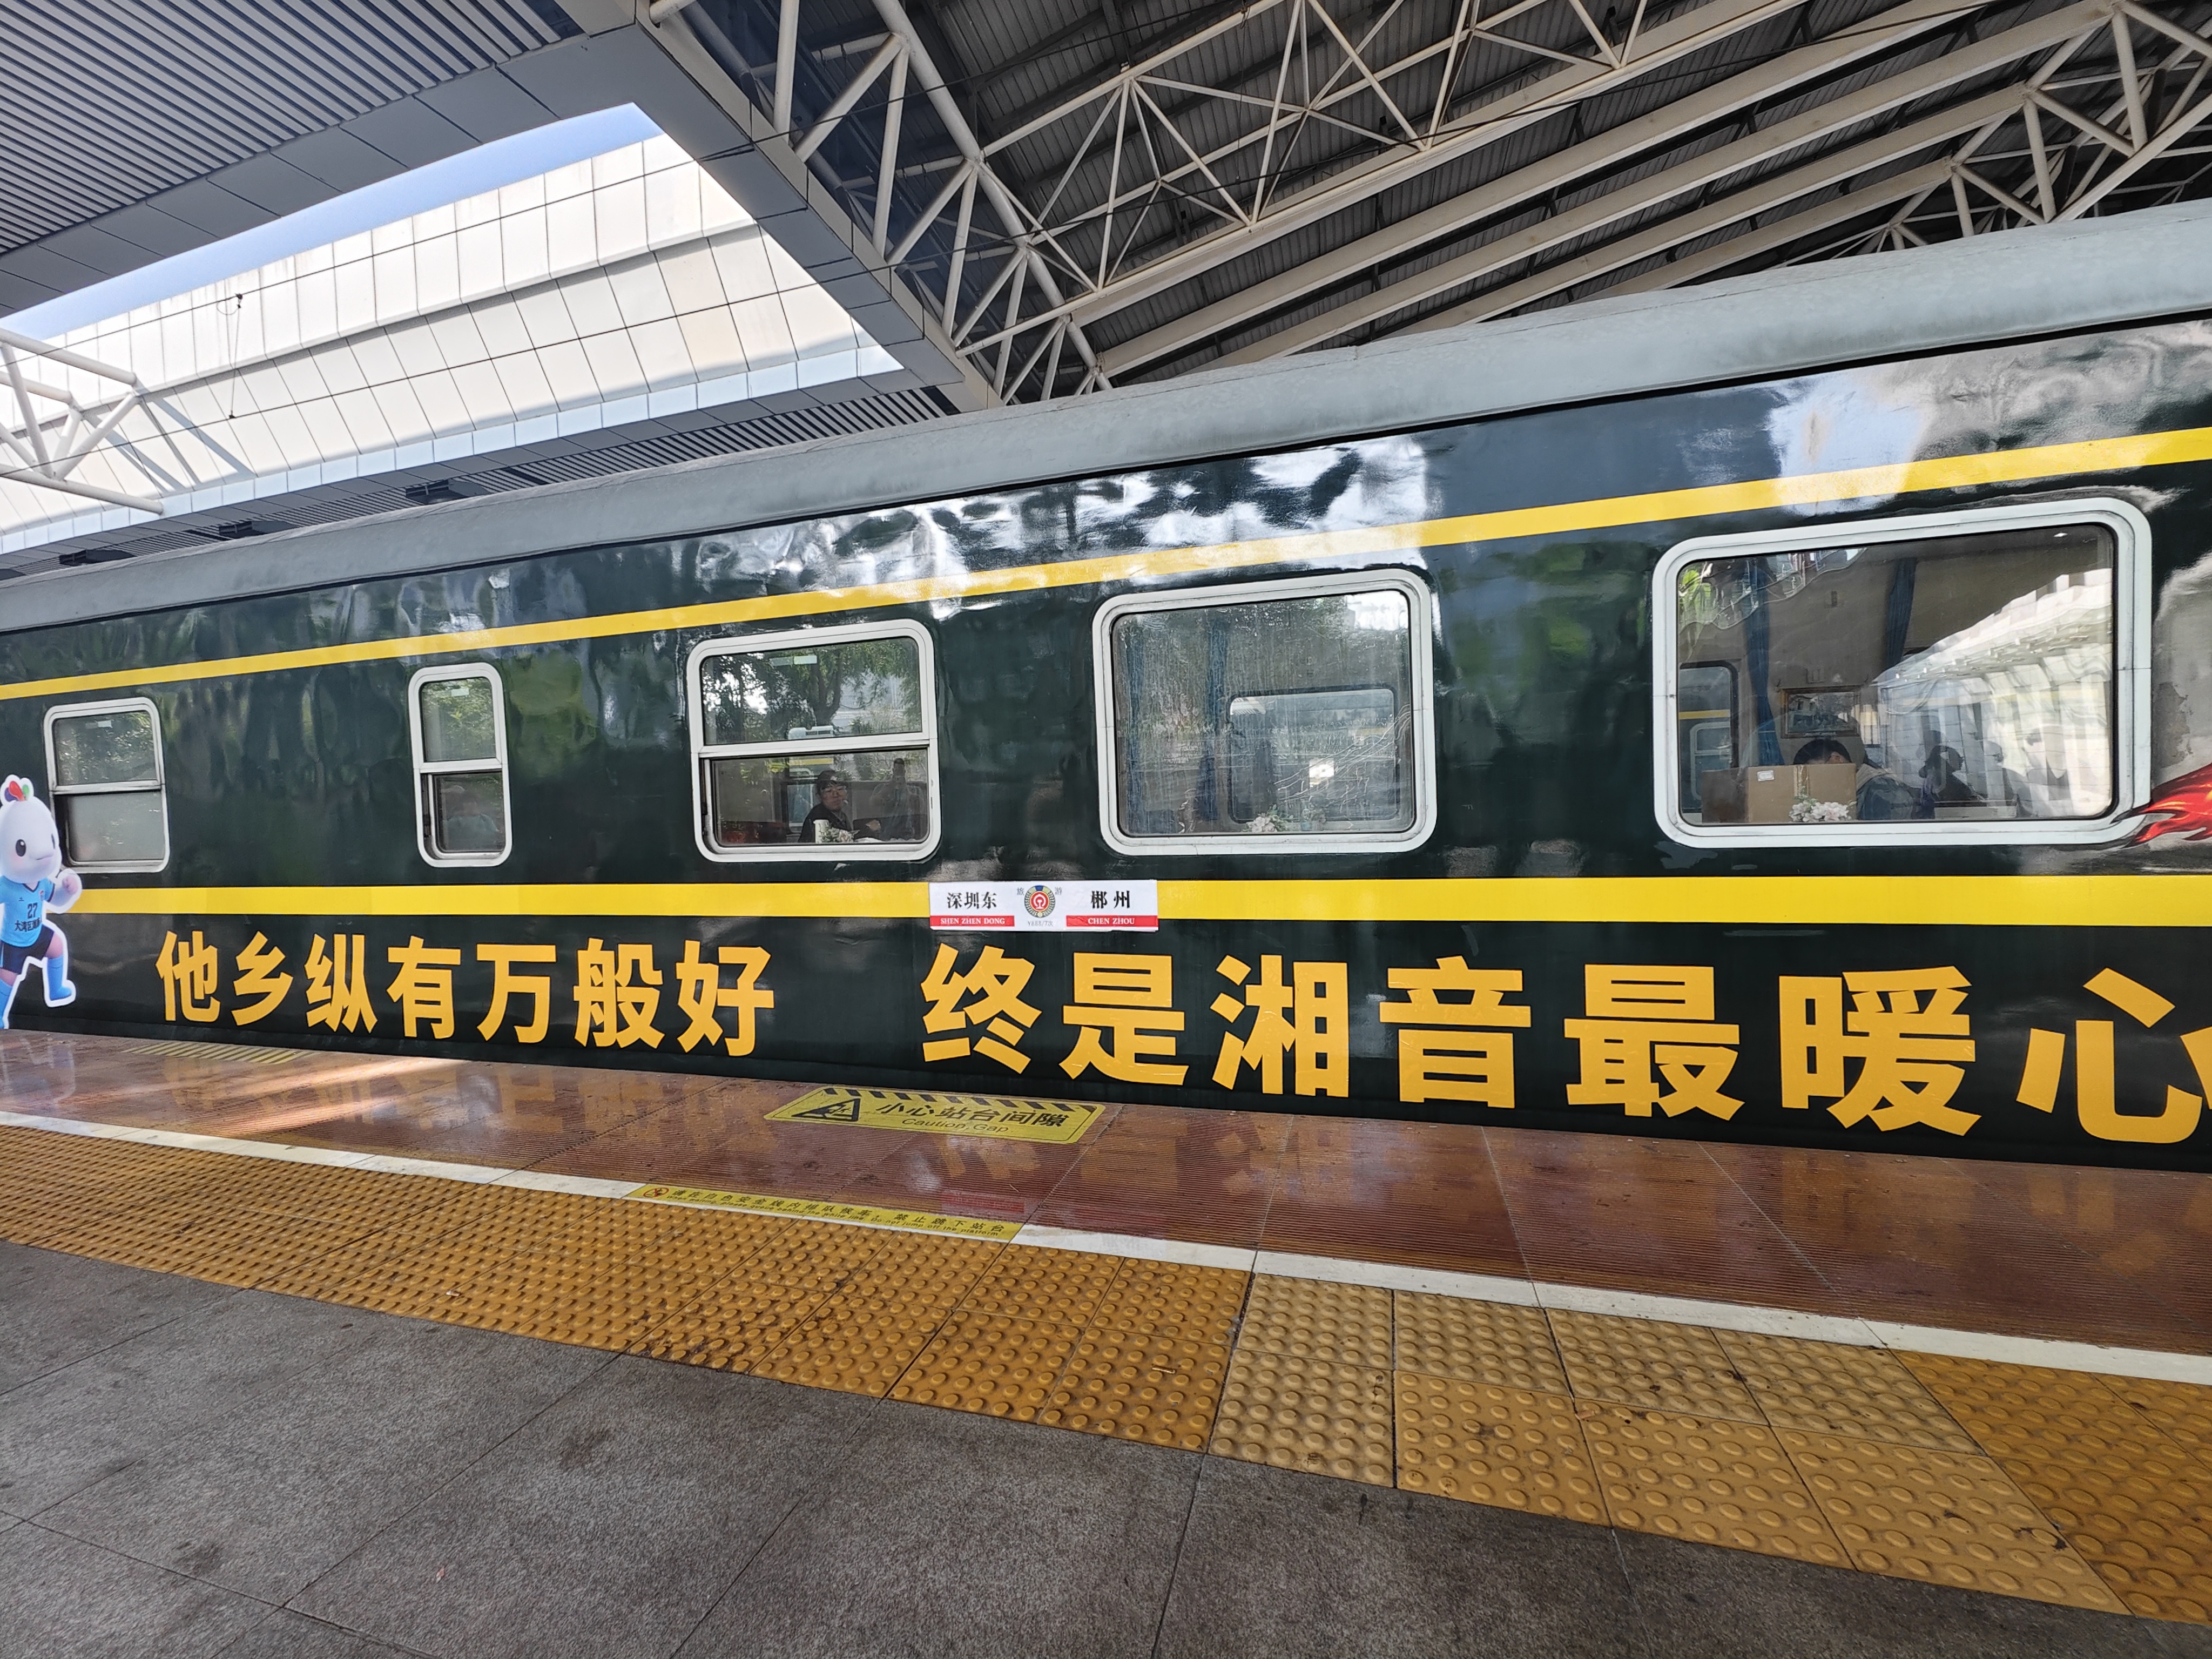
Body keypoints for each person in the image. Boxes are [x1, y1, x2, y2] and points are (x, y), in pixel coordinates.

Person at [801, 772, 853, 842]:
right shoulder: (818, 818)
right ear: (819, 797)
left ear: (847, 793)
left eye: (840, 789)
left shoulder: (842, 815)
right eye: (829, 791)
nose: (835, 795)